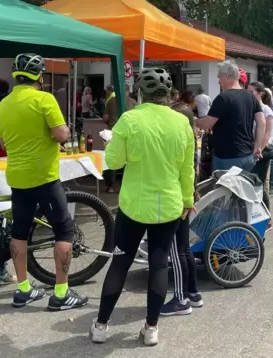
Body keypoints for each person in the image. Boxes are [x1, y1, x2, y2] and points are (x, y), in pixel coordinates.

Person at [90, 68, 194, 346]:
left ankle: (101, 326)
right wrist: (188, 201)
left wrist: (110, 142)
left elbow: (113, 163)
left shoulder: (129, 119)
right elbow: (187, 168)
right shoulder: (181, 121)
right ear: (168, 94)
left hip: (134, 205)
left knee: (120, 262)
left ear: (140, 93)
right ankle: (151, 328)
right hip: (169, 204)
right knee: (159, 264)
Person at [0, 53, 87, 311]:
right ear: (40, 76)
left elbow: (3, 143)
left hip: (17, 177)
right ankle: (60, 293)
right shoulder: (44, 99)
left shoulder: (1, 106)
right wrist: (64, 130)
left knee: (19, 232)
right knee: (64, 230)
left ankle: (23, 289)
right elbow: (60, 135)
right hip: (44, 176)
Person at [161, 100, 203, 317]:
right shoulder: (192, 139)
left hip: (178, 199)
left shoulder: (183, 140)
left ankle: (180, 298)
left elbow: (182, 172)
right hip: (187, 196)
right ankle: (193, 292)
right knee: (185, 249)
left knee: (176, 251)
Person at [196, 60, 265, 172]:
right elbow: (262, 122)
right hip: (247, 155)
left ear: (226, 76)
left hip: (227, 158)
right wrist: (258, 146)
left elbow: (208, 123)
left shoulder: (223, 98)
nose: (219, 82)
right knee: (243, 188)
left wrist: (193, 120)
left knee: (223, 189)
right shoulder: (251, 97)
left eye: (219, 77)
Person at [102, 85, 137, 193]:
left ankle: (110, 186)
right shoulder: (133, 102)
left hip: (113, 131)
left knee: (111, 157)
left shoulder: (111, 101)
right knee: (131, 159)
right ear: (128, 91)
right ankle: (129, 185)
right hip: (130, 133)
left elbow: (105, 118)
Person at [248, 82, 273, 189]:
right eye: (248, 91)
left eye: (251, 92)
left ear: (260, 93)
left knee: (261, 183)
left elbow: (268, 132)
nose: (249, 94)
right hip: (252, 147)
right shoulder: (250, 108)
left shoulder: (266, 110)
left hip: (263, 149)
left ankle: (264, 205)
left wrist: (259, 148)